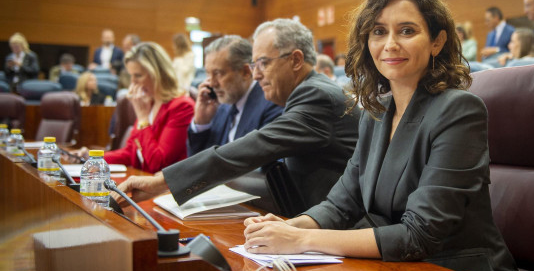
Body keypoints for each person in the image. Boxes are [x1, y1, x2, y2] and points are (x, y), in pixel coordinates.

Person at [243, 0, 520, 271]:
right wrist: (285, 229)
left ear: (437, 41)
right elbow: (341, 203)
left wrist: (300, 239)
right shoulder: (376, 113)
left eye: (406, 30)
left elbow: (418, 235)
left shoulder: (460, 110)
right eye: (378, 31)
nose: (390, 44)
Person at [115, 18, 360, 212]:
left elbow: (253, 148)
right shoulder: (306, 93)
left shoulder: (316, 96)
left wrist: (161, 182)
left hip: (339, 227)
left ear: (296, 60)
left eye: (263, 63)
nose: (256, 75)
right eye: (255, 66)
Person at [72, 42, 194, 173]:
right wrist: (92, 158)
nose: (133, 82)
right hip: (142, 180)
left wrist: (143, 119)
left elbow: (158, 164)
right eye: (131, 75)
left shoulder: (182, 107)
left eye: (138, 75)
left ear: (158, 74)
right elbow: (130, 153)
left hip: (162, 188)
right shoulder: (149, 103)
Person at [188, 35, 283, 156]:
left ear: (246, 72)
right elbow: (196, 161)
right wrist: (202, 123)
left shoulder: (271, 104)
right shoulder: (221, 104)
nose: (211, 83)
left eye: (218, 73)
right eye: (208, 73)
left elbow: (255, 163)